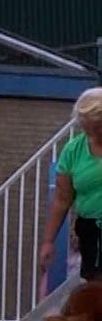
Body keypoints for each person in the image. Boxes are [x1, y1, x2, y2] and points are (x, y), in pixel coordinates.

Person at [39, 88, 102, 283]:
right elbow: (62, 199)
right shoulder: (73, 150)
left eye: (98, 127)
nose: (93, 133)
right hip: (91, 230)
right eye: (88, 128)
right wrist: (49, 241)